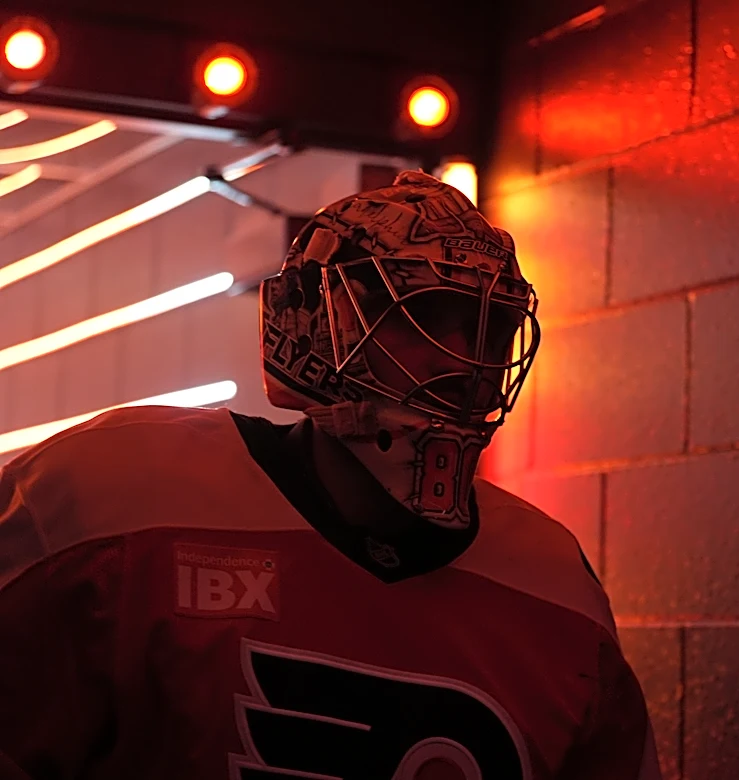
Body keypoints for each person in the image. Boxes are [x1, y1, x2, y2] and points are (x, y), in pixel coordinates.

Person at [0, 170, 661, 779]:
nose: (465, 360)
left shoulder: (555, 586)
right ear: (315, 323)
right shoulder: (115, 498)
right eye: (422, 315)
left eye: (489, 328)